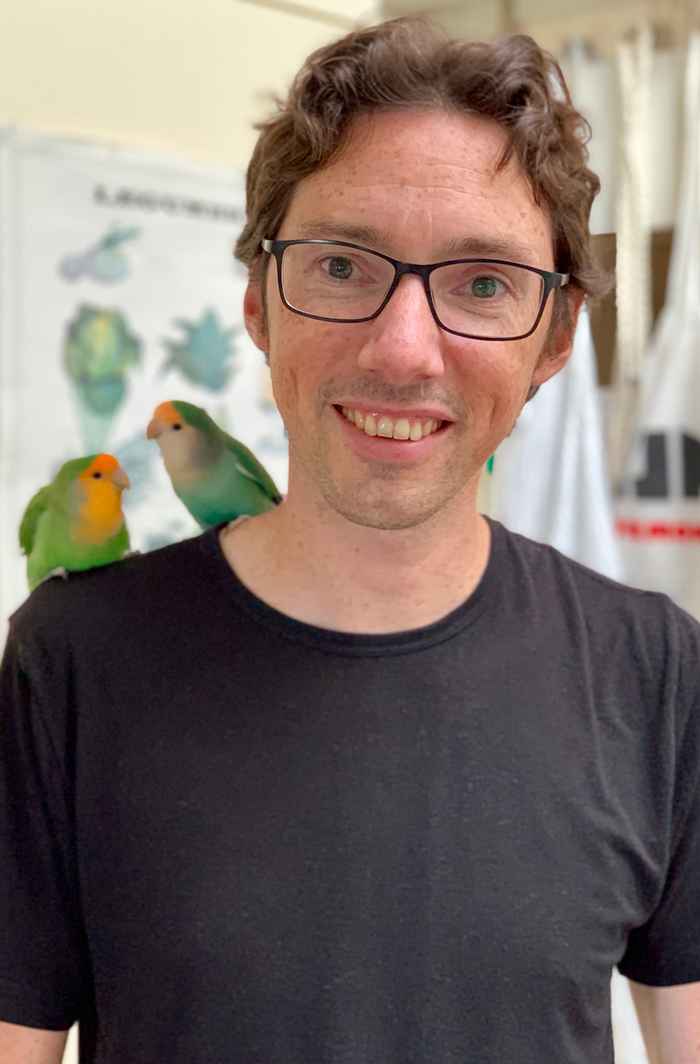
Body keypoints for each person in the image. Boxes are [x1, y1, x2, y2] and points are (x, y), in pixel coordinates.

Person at [1, 17, 699, 1064]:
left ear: (555, 337)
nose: (402, 350)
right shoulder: (72, 658)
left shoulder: (656, 670)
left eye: (482, 283)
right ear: (258, 304)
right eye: (340, 264)